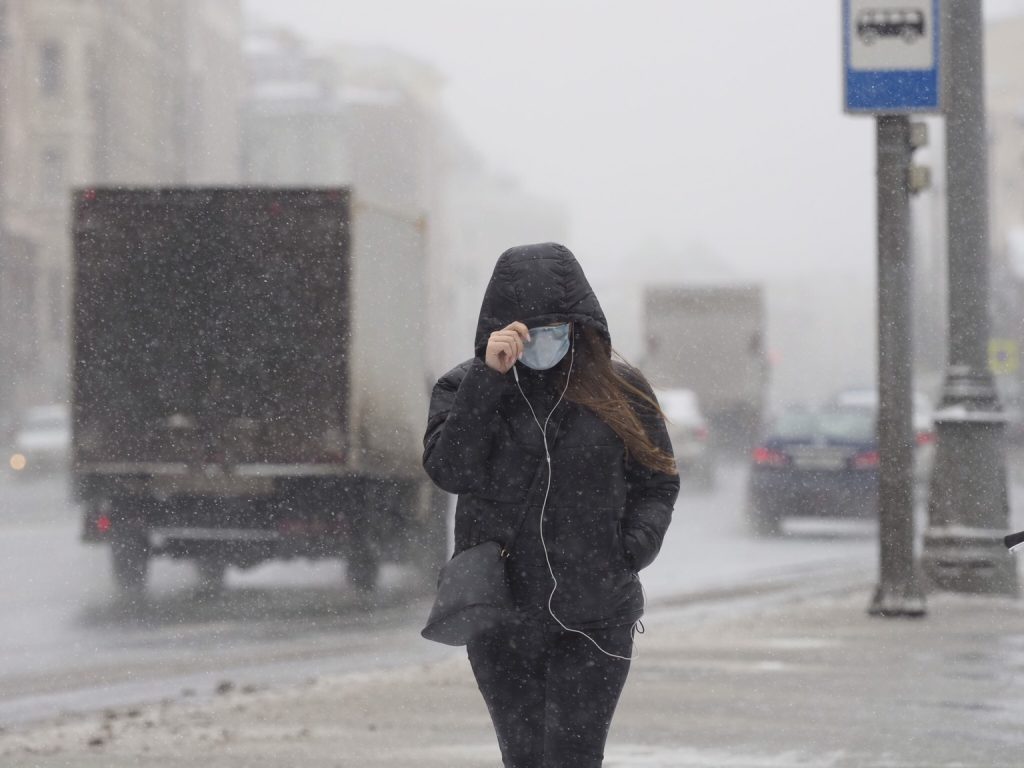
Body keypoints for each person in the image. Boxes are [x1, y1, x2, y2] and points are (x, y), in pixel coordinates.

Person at [422, 242, 679, 767]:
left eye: (557, 326)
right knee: (525, 757)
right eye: (528, 329)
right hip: (501, 616)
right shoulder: (465, 386)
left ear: (578, 324)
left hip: (596, 614)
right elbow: (450, 471)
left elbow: (657, 479)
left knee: (574, 757)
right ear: (501, 327)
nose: (544, 340)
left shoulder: (619, 391)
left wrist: (630, 549)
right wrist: (487, 380)